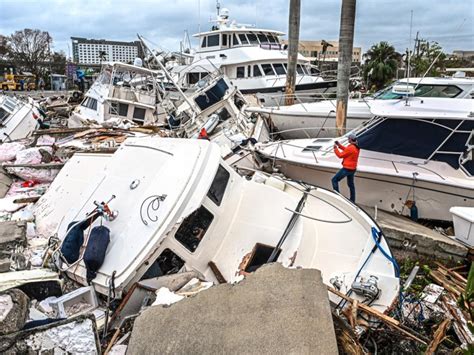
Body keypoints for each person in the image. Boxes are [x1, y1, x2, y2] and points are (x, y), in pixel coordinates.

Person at [331, 134, 360, 203]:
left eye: (348, 138)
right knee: (351, 185)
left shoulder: (351, 148)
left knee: (334, 180)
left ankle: (337, 196)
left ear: (350, 139)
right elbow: (347, 150)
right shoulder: (356, 146)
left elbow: (340, 155)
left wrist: (335, 148)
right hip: (353, 169)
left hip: (347, 169)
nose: (348, 139)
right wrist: (339, 145)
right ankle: (353, 200)